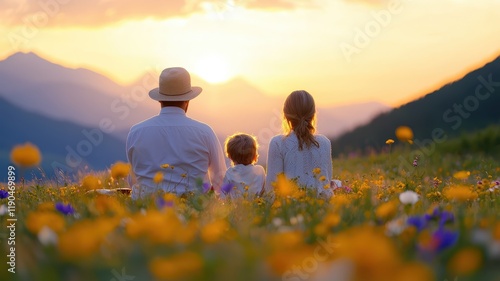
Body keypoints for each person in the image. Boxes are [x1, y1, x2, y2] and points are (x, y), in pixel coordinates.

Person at [126, 67, 226, 199]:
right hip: (194, 211)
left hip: (146, 209)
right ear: (188, 100)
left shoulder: (136, 131)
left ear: (160, 99)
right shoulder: (205, 132)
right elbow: (220, 179)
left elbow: (133, 180)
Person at [265, 90, 333, 198]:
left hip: (289, 210)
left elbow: (271, 190)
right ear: (313, 114)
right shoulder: (324, 143)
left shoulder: (277, 143)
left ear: (285, 116)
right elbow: (326, 182)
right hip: (322, 208)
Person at [222, 133, 265, 199]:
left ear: (230, 156)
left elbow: (223, 196)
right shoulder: (259, 170)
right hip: (257, 207)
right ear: (254, 156)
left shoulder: (229, 173)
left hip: (236, 208)